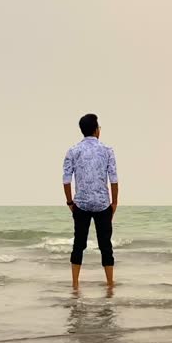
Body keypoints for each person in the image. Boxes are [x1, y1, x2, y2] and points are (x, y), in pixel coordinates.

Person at [62, 114, 119, 289]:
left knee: (78, 244)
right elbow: (114, 179)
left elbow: (66, 180)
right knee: (105, 245)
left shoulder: (73, 150)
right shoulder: (107, 150)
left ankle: (75, 284)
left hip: (81, 204)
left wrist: (70, 202)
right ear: (96, 130)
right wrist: (114, 202)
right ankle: (110, 285)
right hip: (103, 204)